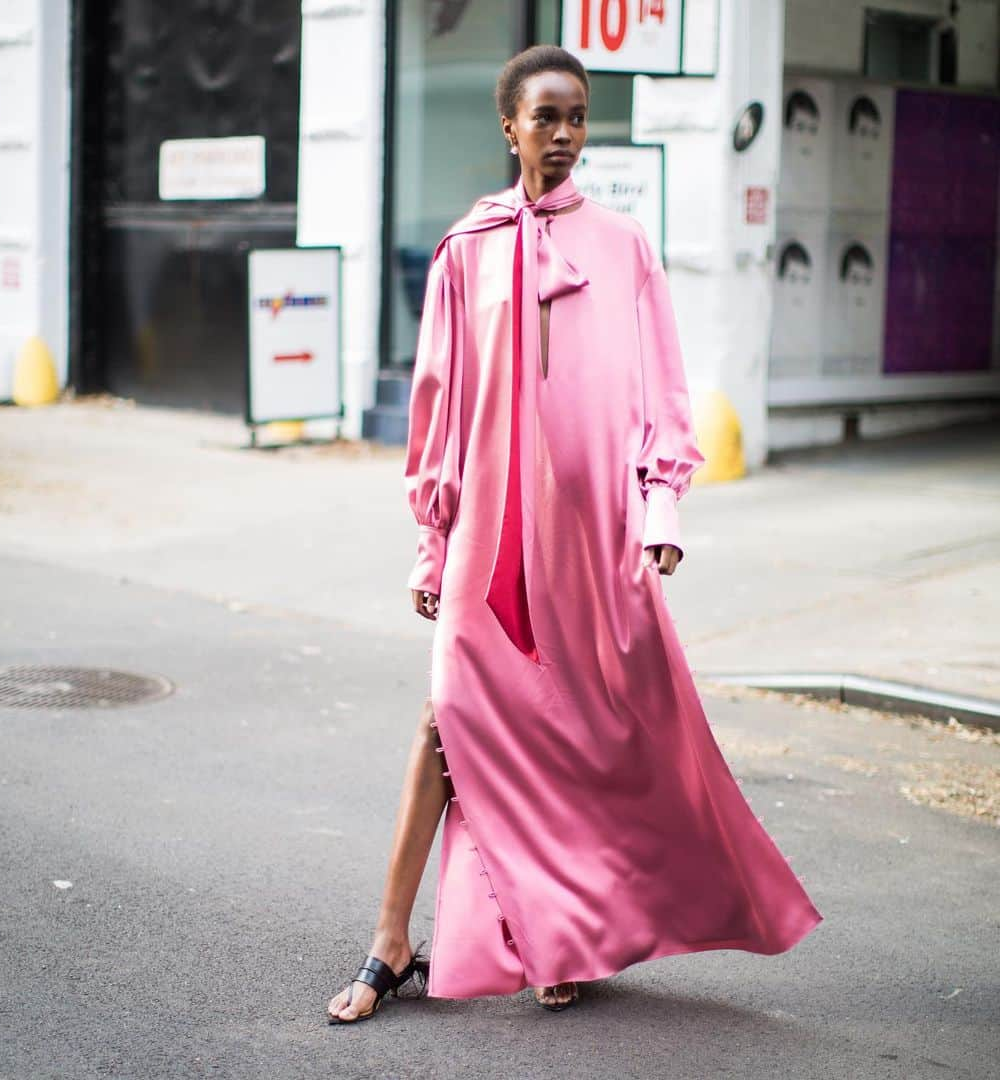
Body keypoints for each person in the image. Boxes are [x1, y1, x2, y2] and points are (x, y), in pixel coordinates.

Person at [327, 45, 823, 1025]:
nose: (562, 135)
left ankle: (563, 929)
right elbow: (436, 410)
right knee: (449, 721)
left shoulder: (624, 245)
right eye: (544, 117)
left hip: (594, 540)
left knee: (588, 733)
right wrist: (432, 543)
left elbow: (661, 392)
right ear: (508, 126)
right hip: (488, 541)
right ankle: (391, 938)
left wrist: (660, 513)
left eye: (577, 118)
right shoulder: (465, 248)